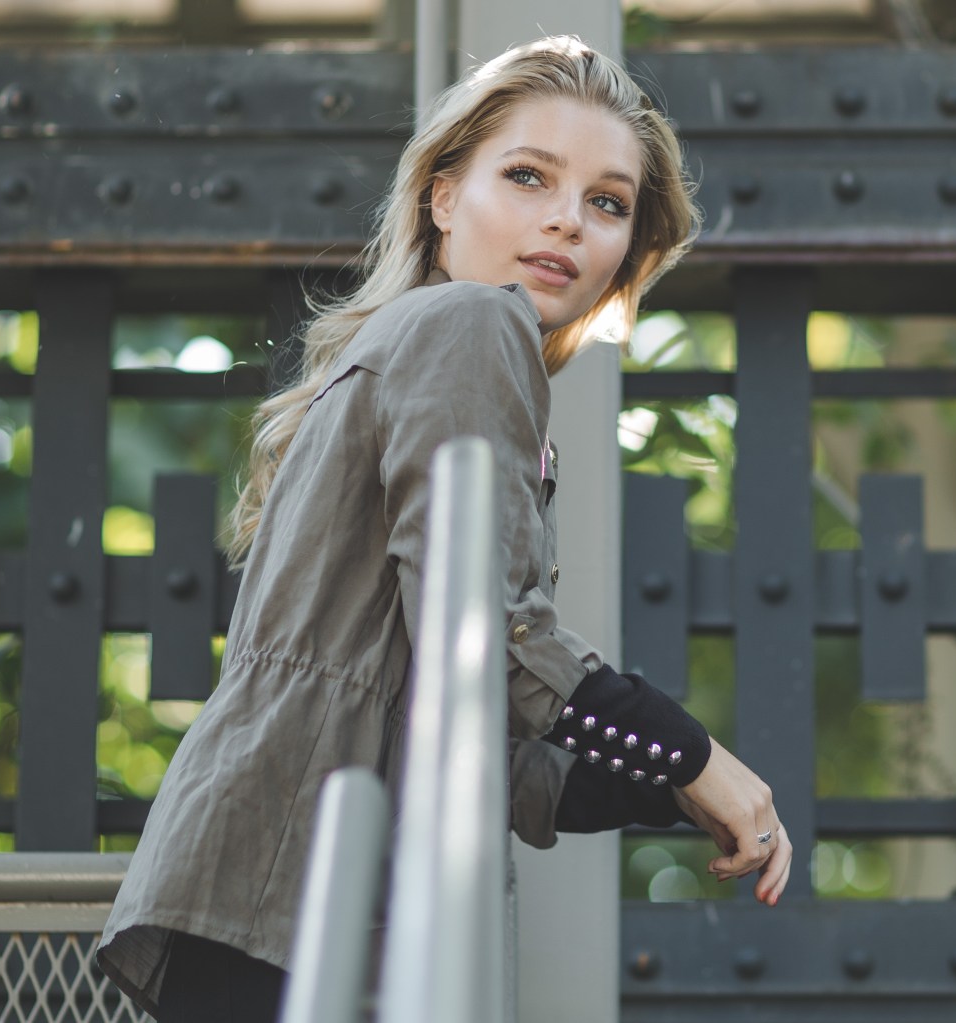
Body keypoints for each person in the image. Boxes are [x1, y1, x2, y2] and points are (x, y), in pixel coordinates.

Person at [97, 35, 791, 1022]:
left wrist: (664, 790)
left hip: (280, 885)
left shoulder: (426, 348)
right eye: (526, 176)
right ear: (440, 197)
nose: (564, 219)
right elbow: (492, 643)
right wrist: (695, 759)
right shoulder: (470, 324)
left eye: (605, 203)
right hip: (301, 889)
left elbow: (459, 729)